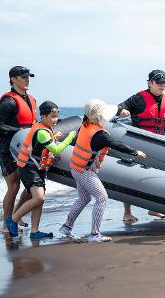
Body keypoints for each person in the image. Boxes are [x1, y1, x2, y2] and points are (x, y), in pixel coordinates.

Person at [60, 99, 146, 242]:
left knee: (84, 198)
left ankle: (66, 227)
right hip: (85, 172)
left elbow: (91, 145)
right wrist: (135, 152)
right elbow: (117, 144)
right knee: (101, 197)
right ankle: (95, 234)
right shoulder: (100, 134)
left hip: (76, 168)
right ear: (98, 117)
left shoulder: (85, 126)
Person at [117, 69, 165, 221]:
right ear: (150, 83)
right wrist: (122, 110)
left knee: (156, 177)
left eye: (164, 83)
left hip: (156, 145)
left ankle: (154, 209)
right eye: (159, 82)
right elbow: (120, 106)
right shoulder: (138, 98)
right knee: (129, 178)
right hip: (137, 144)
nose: (162, 85)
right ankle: (127, 212)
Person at [5, 102, 76, 239]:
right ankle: (12, 220)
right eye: (52, 116)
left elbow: (39, 146)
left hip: (37, 167)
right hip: (28, 167)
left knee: (38, 199)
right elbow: (56, 149)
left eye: (57, 116)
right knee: (39, 197)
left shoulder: (44, 128)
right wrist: (70, 137)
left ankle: (35, 231)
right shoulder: (42, 132)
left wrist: (54, 137)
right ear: (43, 117)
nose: (55, 119)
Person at [0, 66, 37, 233]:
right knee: (14, 186)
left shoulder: (31, 99)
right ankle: (6, 224)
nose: (27, 80)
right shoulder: (8, 101)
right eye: (23, 77)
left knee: (30, 185)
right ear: (13, 80)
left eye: (28, 77)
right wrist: (20, 131)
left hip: (25, 148)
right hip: (6, 148)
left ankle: (16, 216)